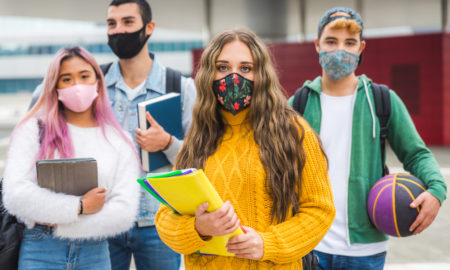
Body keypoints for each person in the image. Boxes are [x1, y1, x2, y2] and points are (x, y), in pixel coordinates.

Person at [27, 0, 196, 269]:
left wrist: (168, 143)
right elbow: (43, 101)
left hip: (159, 221)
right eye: (111, 24)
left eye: (128, 22)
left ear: (149, 27)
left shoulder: (180, 87)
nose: (118, 31)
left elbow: (200, 160)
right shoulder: (92, 83)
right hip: (104, 219)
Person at [154, 28, 336, 269]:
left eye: (245, 68)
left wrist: (267, 243)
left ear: (261, 74)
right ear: (210, 74)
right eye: (223, 68)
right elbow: (166, 218)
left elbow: (319, 211)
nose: (234, 77)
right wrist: (198, 228)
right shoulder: (197, 140)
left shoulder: (293, 133)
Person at [288, 7, 447, 269]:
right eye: (331, 41)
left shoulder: (382, 100)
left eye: (349, 43)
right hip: (309, 243)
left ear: (361, 47)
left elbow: (416, 153)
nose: (340, 49)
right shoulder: (299, 103)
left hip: (366, 249)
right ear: (317, 45)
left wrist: (436, 190)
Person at [2, 46, 140, 270]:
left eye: (84, 76)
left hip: (95, 254)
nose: (77, 85)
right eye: (66, 79)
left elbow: (124, 212)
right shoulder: (33, 130)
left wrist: (58, 220)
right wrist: (80, 206)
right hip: (40, 249)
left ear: (98, 80)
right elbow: (15, 195)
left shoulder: (119, 140)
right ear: (55, 87)